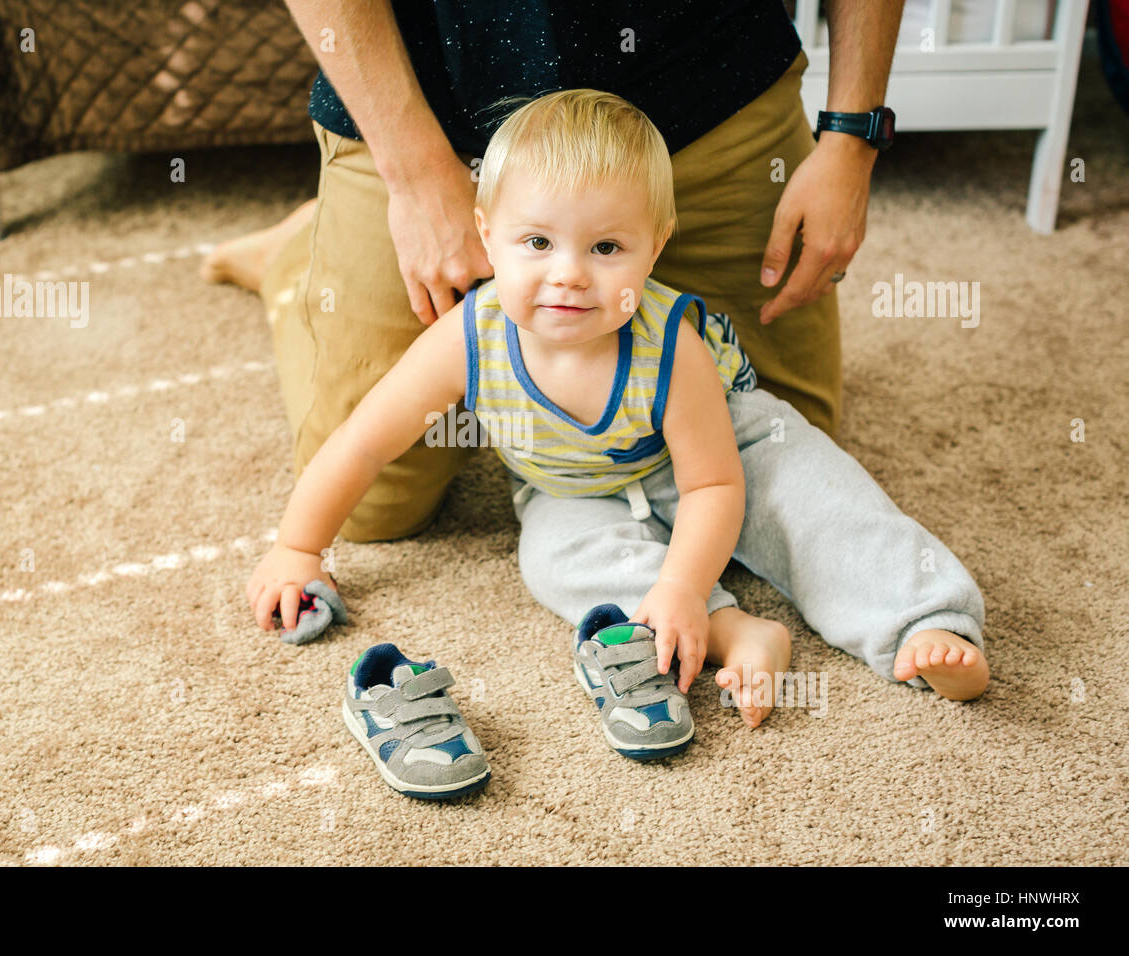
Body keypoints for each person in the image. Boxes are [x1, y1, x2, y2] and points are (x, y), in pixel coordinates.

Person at [246, 90, 990, 738]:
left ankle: (922, 619)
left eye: (606, 247)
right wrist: (298, 549)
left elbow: (713, 489)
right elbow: (362, 443)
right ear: (486, 236)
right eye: (536, 242)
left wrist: (678, 584)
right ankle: (739, 633)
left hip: (722, 450)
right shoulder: (468, 337)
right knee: (556, 558)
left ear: (654, 246)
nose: (567, 272)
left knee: (815, 496)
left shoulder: (672, 348)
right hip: (575, 486)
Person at [205, 0, 907, 544]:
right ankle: (299, 255)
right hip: (427, 103)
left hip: (705, 82)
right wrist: (415, 175)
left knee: (783, 454)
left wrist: (853, 137)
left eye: (603, 255)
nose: (569, 278)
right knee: (377, 513)